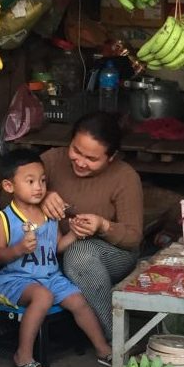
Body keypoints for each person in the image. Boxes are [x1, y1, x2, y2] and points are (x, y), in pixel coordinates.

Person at [0, 150, 111, 367]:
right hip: (17, 280)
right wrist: (18, 249)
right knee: (43, 296)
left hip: (50, 276)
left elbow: (56, 247)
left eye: (43, 180)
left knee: (78, 300)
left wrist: (75, 233)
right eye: (30, 181)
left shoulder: (49, 215)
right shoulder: (4, 218)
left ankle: (103, 349)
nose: (39, 187)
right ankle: (23, 355)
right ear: (9, 186)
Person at [40, 112, 143, 342]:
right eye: (76, 151)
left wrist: (103, 225)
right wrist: (42, 196)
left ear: (111, 157)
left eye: (91, 158)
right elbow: (5, 197)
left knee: (79, 255)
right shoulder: (52, 161)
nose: (80, 162)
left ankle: (114, 340)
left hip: (112, 254)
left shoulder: (125, 177)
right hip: (53, 249)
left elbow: (133, 237)